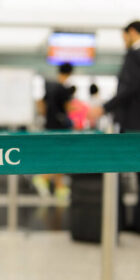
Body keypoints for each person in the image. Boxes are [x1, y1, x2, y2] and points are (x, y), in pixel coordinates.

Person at [89, 20, 140, 232]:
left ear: (132, 32)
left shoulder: (134, 55)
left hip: (134, 124)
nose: (124, 41)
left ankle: (127, 223)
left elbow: (130, 88)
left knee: (127, 171)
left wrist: (105, 107)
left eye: (124, 36)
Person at [33, 63, 76, 199]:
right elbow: (68, 108)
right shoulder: (64, 89)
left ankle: (60, 188)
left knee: (55, 156)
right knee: (62, 157)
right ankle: (43, 177)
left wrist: (47, 116)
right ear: (70, 73)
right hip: (61, 128)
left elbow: (40, 104)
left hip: (49, 126)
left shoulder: (50, 87)